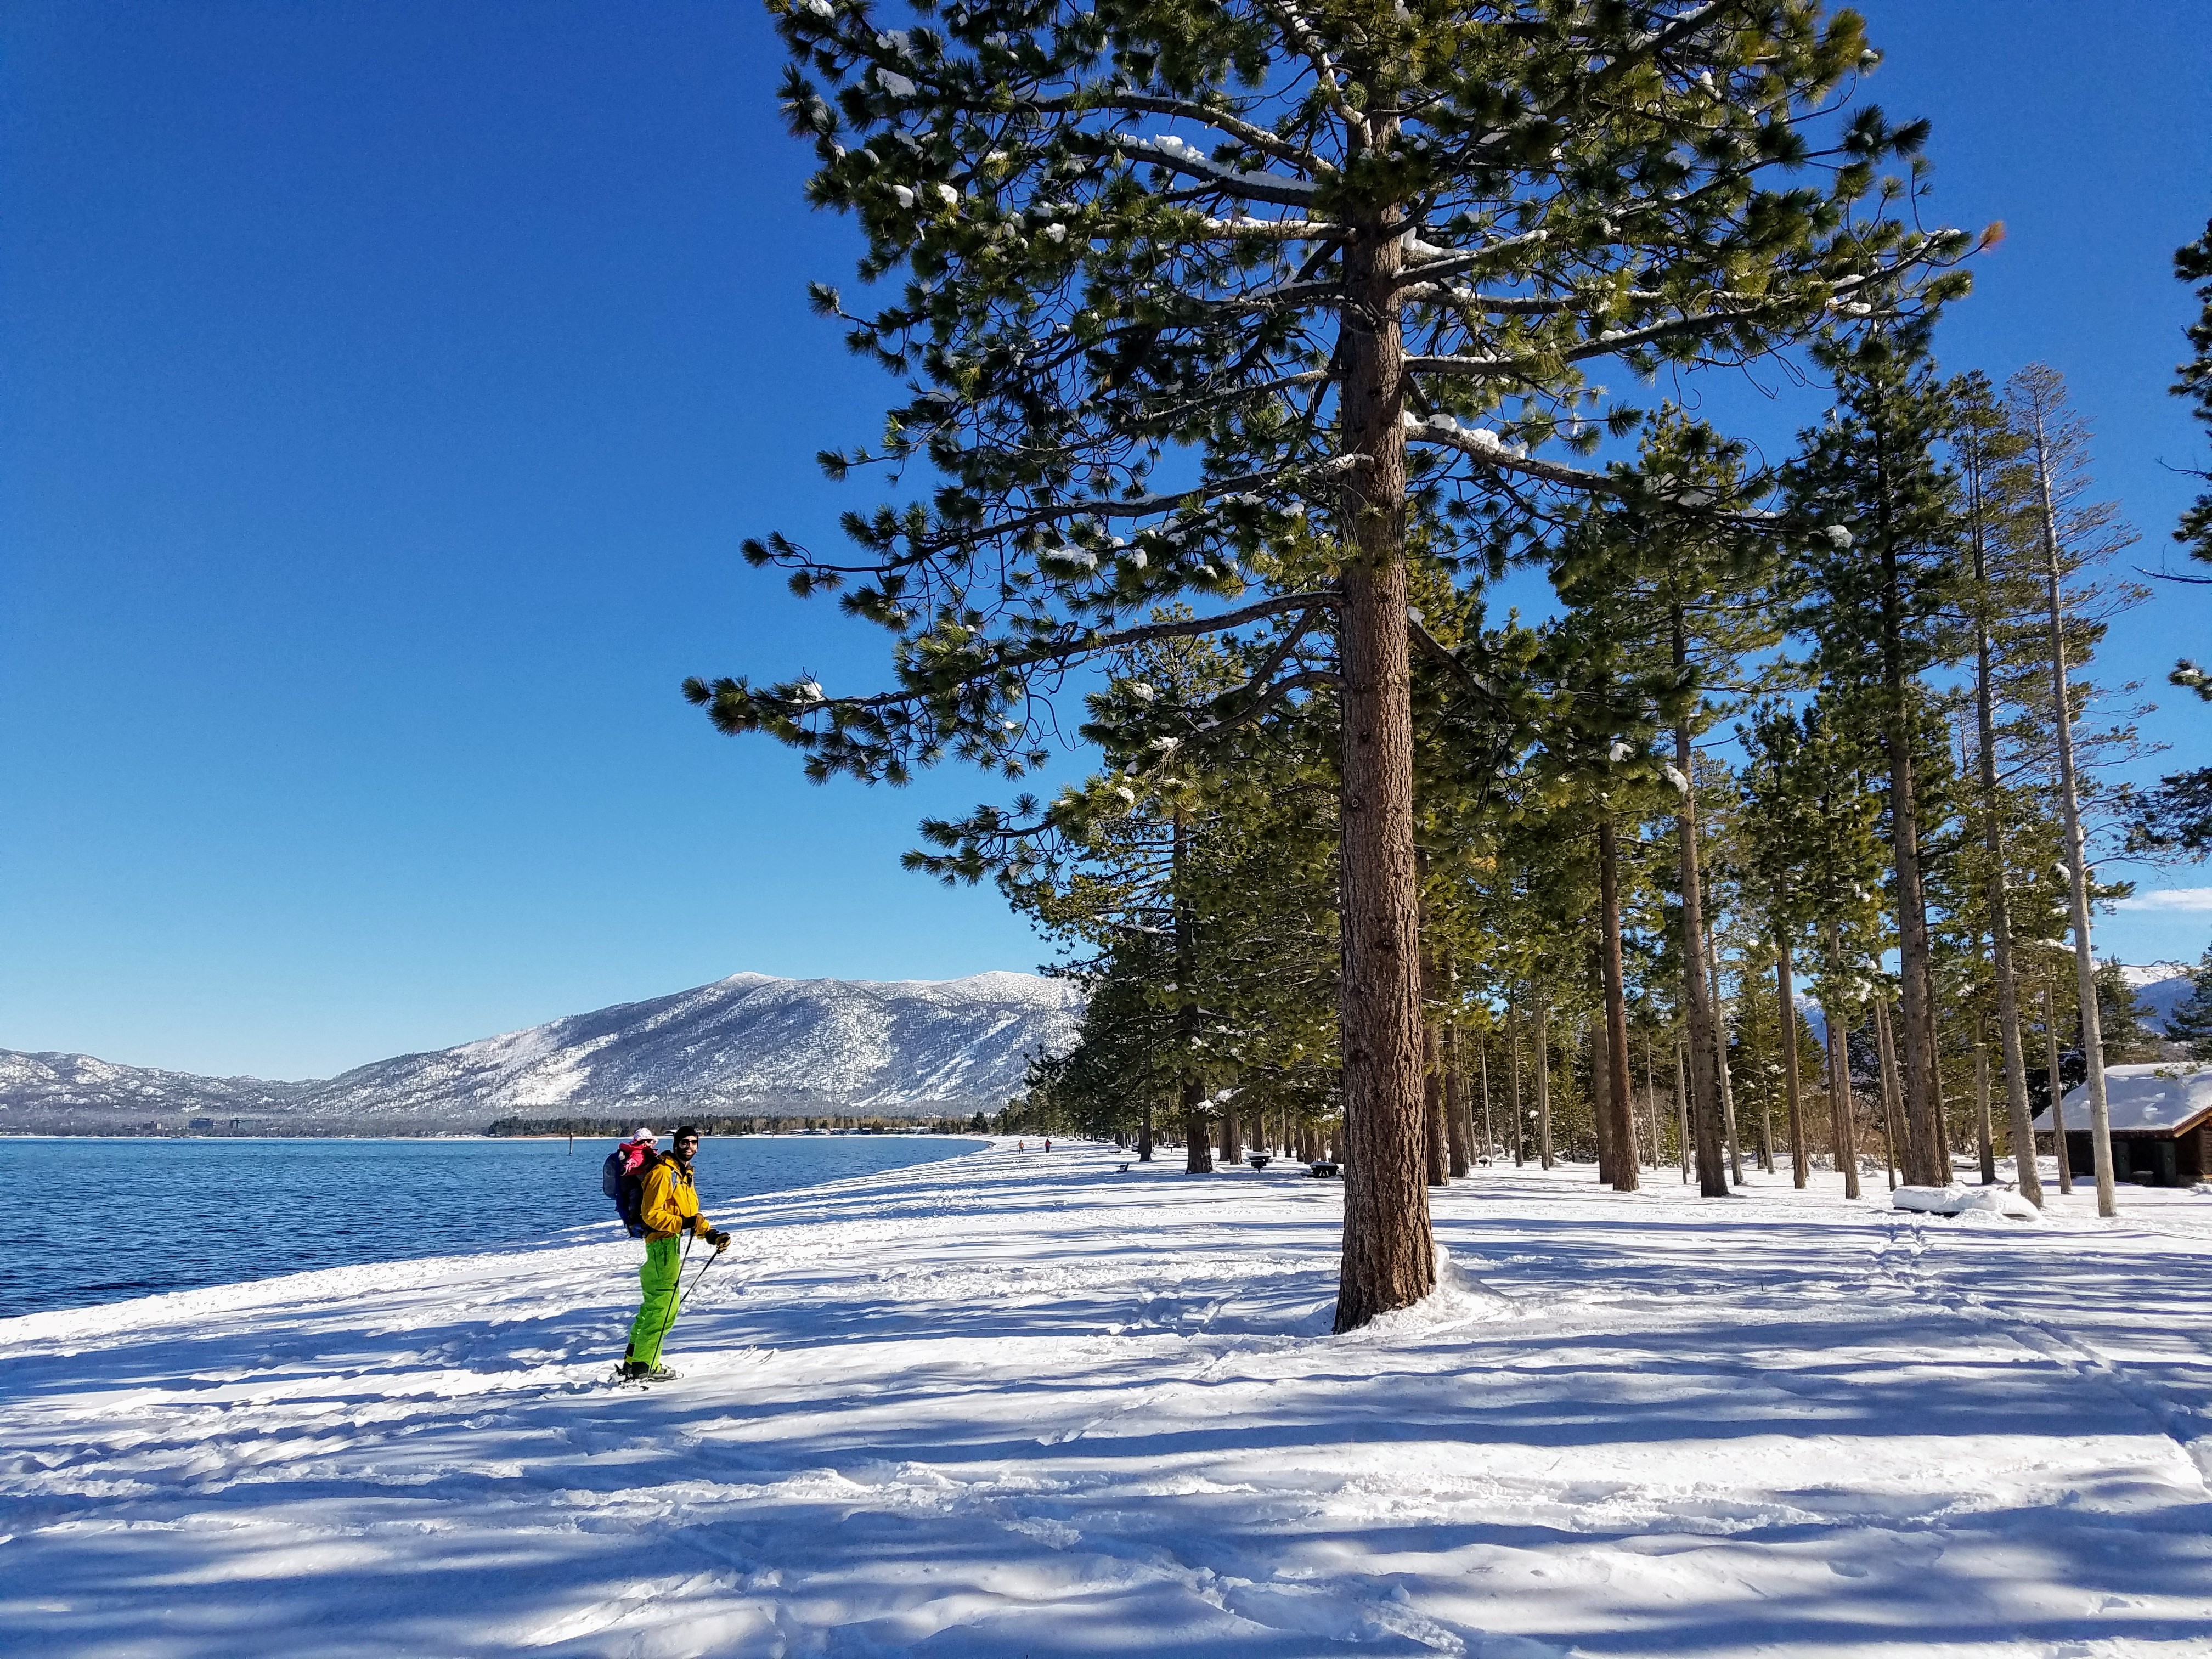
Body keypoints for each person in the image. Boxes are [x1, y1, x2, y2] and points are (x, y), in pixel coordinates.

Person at [620, 1125, 729, 1382]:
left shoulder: (683, 1173)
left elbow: (691, 1215)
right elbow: (652, 1214)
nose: (689, 1147)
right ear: (676, 1144)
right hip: (662, 1246)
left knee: (654, 1307)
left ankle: (633, 1360)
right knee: (664, 1309)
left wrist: (711, 1234)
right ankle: (645, 1367)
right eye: (684, 1142)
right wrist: (683, 1225)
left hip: (670, 1245)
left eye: (694, 1143)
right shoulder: (663, 1172)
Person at [601, 1128, 659, 1237]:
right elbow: (634, 1160)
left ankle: (639, 1222)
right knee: (637, 1198)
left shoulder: (646, 1153)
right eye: (643, 1141)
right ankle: (636, 1222)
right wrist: (629, 1166)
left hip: (639, 1181)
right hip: (633, 1181)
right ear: (637, 1142)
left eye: (649, 1141)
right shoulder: (637, 1152)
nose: (646, 1144)